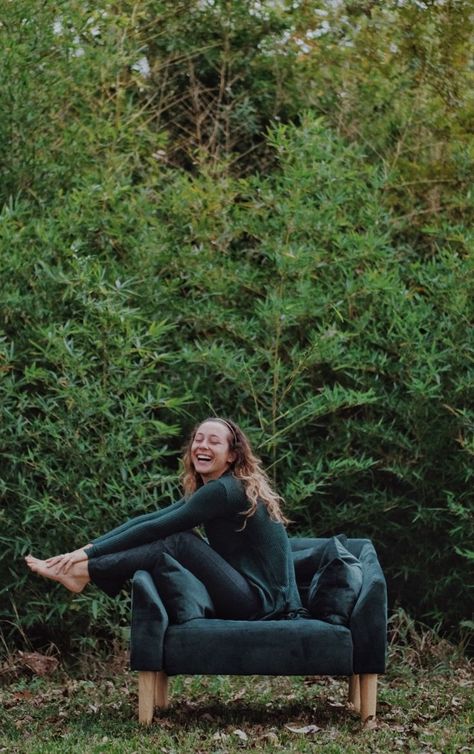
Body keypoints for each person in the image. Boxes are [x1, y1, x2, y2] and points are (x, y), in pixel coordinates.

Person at [26, 417, 304, 620]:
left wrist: (88, 557)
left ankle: (83, 573)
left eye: (214, 441)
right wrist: (85, 550)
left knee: (179, 540)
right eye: (198, 439)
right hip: (258, 597)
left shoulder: (224, 490)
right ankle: (81, 571)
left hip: (263, 603)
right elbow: (148, 519)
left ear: (232, 455)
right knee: (178, 537)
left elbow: (156, 529)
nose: (202, 446)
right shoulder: (221, 487)